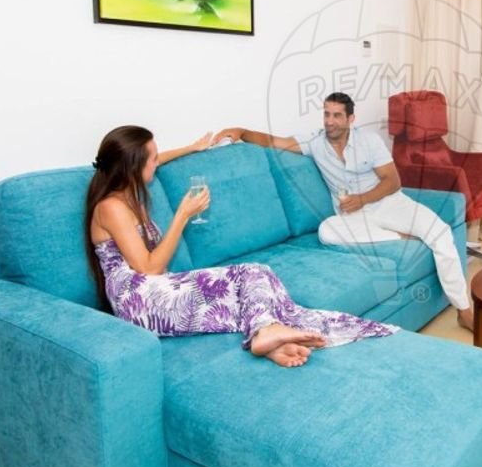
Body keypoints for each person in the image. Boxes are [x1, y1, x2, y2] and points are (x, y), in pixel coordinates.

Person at [84, 125, 396, 368]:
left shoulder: (128, 189)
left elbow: (155, 160)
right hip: (140, 302)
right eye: (152, 158)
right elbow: (148, 268)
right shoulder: (112, 207)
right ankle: (266, 332)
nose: (157, 161)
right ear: (132, 166)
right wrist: (182, 215)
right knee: (246, 277)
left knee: (259, 274)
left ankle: (267, 336)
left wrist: (191, 148)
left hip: (157, 288)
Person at [215, 92, 482, 341]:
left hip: (388, 203)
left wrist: (362, 199)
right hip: (353, 218)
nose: (330, 121)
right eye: (327, 114)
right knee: (327, 231)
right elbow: (274, 142)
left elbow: (393, 181)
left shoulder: (369, 141)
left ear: (351, 119)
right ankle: (399, 236)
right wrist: (242, 131)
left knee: (440, 232)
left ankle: (464, 311)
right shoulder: (315, 142)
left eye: (337, 115)